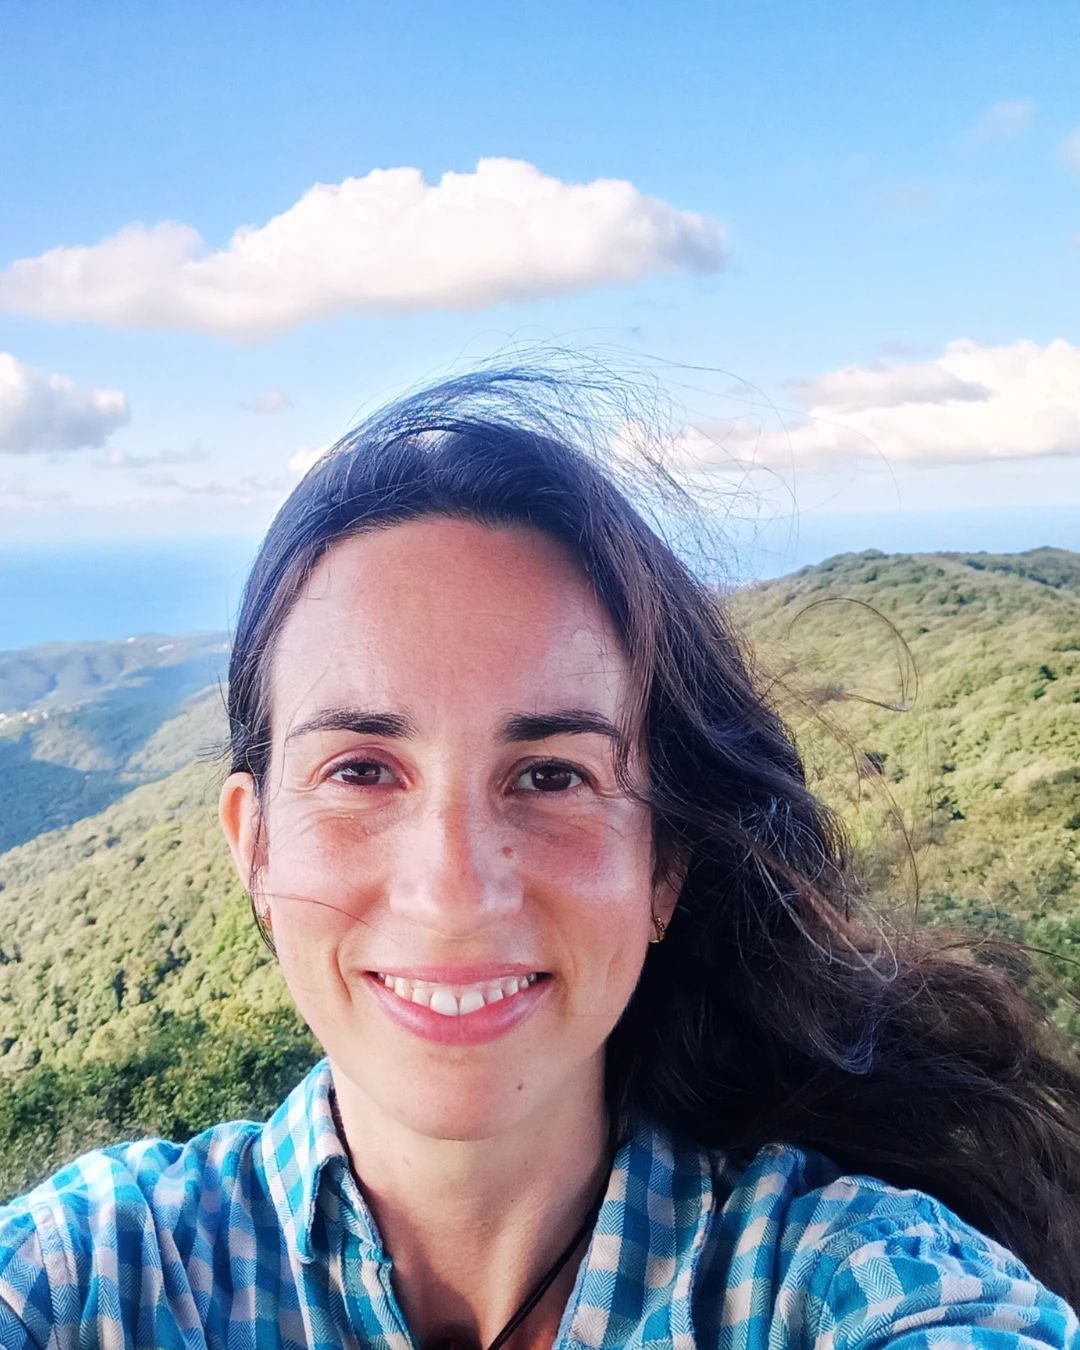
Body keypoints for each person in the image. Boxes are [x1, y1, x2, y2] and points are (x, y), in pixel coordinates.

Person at [1, 366, 1078, 1350]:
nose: (454, 892)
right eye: (362, 771)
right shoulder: (95, 1275)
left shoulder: (839, 1286)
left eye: (552, 775)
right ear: (256, 847)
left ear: (664, 867)